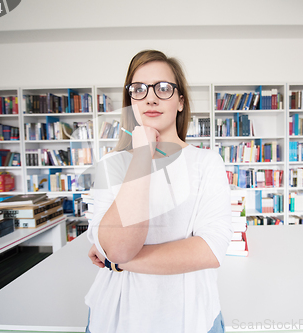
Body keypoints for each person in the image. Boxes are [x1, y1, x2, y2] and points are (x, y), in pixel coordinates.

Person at [85, 49, 233, 333]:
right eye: (138, 89)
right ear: (130, 101)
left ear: (180, 101)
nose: (150, 97)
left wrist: (117, 262)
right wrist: (142, 155)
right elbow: (119, 247)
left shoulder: (206, 162)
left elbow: (210, 251)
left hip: (192, 318)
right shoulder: (111, 165)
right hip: (117, 317)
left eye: (163, 88)